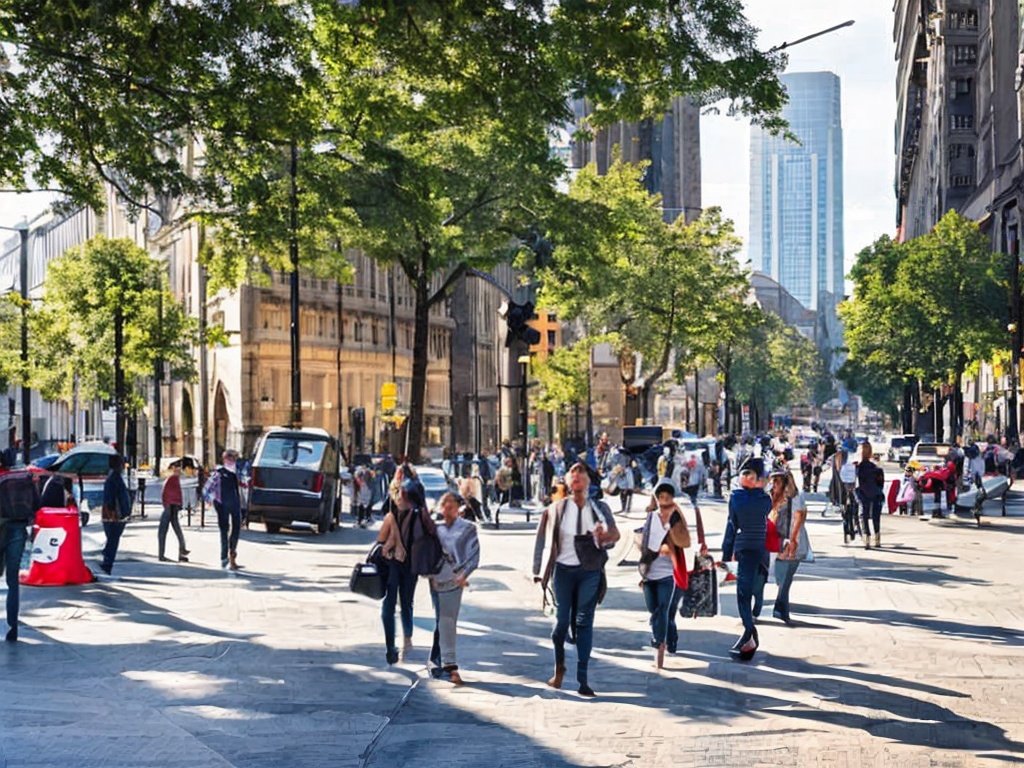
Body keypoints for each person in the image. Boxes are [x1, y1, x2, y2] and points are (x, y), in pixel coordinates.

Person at [532, 461, 620, 697]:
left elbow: (615, 535)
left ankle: (583, 679)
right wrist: (537, 570)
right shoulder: (557, 508)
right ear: (568, 481)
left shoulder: (599, 508)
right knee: (561, 624)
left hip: (590, 571)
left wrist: (603, 538)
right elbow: (541, 539)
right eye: (573, 471)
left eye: (582, 472)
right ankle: (559, 667)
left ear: (589, 481)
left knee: (583, 621)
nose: (577, 475)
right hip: (562, 571)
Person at [638, 478, 701, 669]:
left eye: (667, 496)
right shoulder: (651, 516)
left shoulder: (676, 516)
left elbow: (686, 541)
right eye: (660, 496)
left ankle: (663, 642)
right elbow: (645, 544)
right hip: (650, 572)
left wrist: (670, 543)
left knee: (666, 610)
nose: (663, 500)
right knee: (654, 610)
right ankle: (664, 636)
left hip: (672, 572)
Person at [427, 492, 481, 685]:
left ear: (459, 507)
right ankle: (439, 663)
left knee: (447, 620)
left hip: (454, 581)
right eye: (444, 504)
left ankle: (444, 663)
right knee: (441, 619)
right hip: (436, 580)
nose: (448, 507)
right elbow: (426, 552)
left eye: (452, 504)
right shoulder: (434, 528)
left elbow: (474, 556)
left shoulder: (467, 529)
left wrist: (463, 574)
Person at [720, 457, 771, 659]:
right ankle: (749, 634)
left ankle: (749, 633)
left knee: (743, 593)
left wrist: (725, 555)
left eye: (746, 473)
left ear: (754, 478)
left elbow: (731, 526)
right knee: (750, 591)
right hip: (760, 551)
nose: (742, 477)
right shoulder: (764, 499)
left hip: (745, 549)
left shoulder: (737, 498)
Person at [375, 466, 419, 664]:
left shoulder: (417, 513)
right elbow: (381, 540)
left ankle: (406, 641)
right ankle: (391, 646)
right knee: (390, 605)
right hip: (392, 562)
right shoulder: (390, 511)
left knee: (406, 603)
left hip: (410, 564)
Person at [0, 468, 40, 641]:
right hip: (18, 529)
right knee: (12, 581)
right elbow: (37, 505)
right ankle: (13, 627)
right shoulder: (22, 479)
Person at [768, 469, 810, 625]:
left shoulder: (795, 498)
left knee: (785, 579)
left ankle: (781, 609)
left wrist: (793, 540)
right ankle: (781, 608)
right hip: (778, 542)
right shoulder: (773, 497)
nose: (773, 484)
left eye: (776, 481)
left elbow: (799, 517)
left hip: (793, 542)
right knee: (781, 578)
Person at [207, 449, 244, 570]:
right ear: (224, 459)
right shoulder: (218, 473)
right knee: (224, 530)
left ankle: (232, 555)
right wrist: (214, 501)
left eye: (234, 458)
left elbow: (243, 487)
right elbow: (206, 490)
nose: (233, 460)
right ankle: (224, 558)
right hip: (223, 505)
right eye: (230, 458)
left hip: (235, 504)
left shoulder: (238, 473)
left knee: (236, 528)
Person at [100, 452, 132, 575]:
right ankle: (107, 561)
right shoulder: (115, 478)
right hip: (115, 515)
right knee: (114, 539)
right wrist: (116, 512)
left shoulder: (113, 477)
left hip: (114, 514)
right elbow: (113, 498)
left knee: (112, 538)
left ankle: (107, 555)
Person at [855, 442, 885, 549]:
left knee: (864, 515)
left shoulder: (857, 468)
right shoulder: (876, 469)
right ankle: (877, 538)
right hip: (876, 493)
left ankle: (866, 537)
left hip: (863, 493)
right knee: (876, 516)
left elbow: (855, 482)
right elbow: (881, 483)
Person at [158, 463, 190, 563]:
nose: (179, 472)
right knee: (170, 530)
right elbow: (171, 493)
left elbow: (167, 493)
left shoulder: (173, 479)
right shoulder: (173, 479)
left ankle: (179, 551)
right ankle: (180, 551)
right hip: (171, 507)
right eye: (177, 470)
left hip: (170, 506)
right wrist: (176, 504)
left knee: (166, 530)